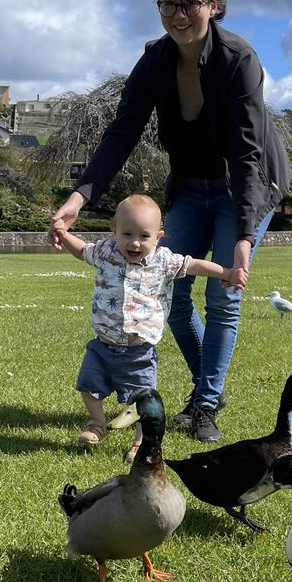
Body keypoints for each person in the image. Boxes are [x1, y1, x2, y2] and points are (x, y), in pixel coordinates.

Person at [51, 0, 291, 442]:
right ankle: (212, 385)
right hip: (191, 186)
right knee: (171, 290)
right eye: (168, 4)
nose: (179, 16)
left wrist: (245, 235)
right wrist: (81, 196)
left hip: (247, 187)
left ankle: (204, 404)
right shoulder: (154, 61)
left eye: (190, 3)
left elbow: (247, 154)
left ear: (214, 4)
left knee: (223, 295)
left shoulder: (238, 60)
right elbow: (122, 132)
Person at [58, 193, 246, 455]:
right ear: (114, 231)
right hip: (103, 346)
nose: (135, 243)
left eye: (144, 236)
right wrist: (63, 233)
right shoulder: (105, 252)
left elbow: (195, 265)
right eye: (127, 234)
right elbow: (81, 250)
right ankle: (97, 423)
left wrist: (226, 273)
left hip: (139, 352)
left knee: (141, 403)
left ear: (158, 237)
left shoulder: (164, 260)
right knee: (88, 387)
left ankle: (141, 441)